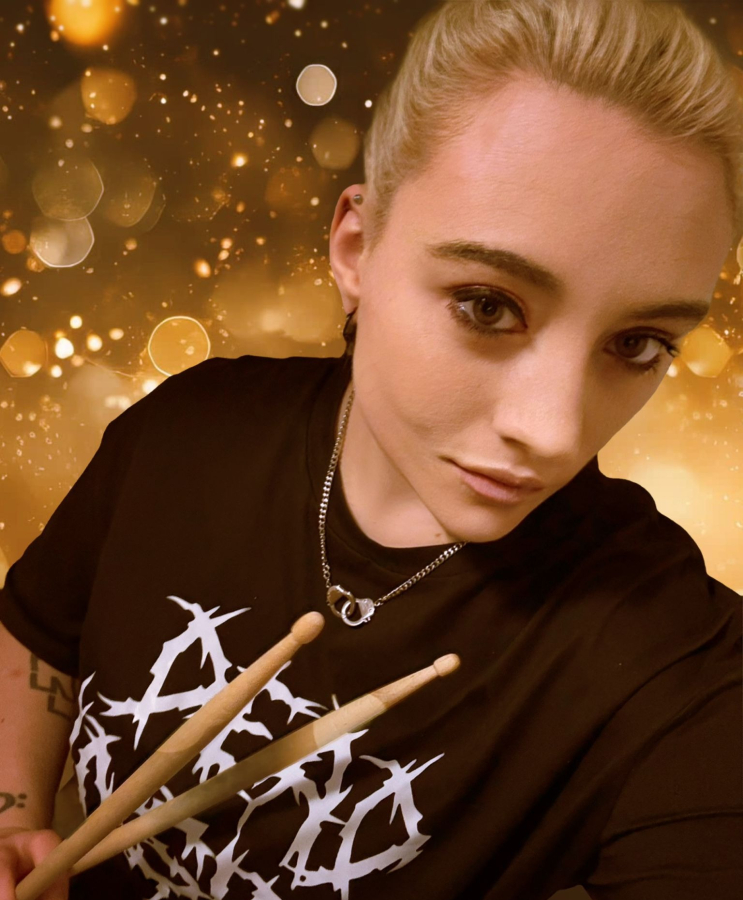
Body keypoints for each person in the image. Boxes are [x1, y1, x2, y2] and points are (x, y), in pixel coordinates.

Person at [1, 0, 741, 898]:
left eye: (637, 344)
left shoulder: (684, 667)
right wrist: (9, 825)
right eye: (487, 306)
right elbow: (37, 634)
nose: (553, 432)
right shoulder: (186, 432)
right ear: (355, 246)